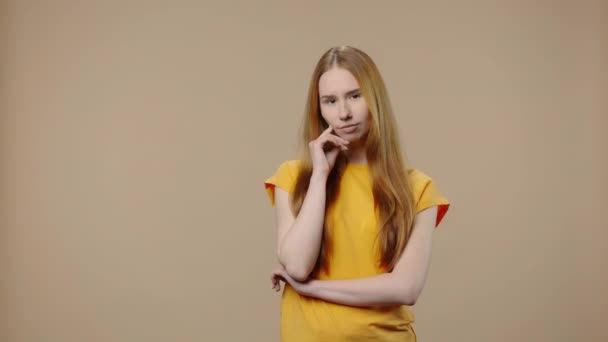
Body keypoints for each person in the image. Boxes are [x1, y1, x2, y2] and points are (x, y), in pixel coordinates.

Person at [263, 46, 450, 342]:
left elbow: (406, 288)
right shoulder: (294, 177)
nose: (344, 113)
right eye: (330, 101)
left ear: (375, 99)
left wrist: (312, 289)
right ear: (319, 109)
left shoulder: (417, 188)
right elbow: (297, 265)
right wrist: (320, 176)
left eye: (355, 95)